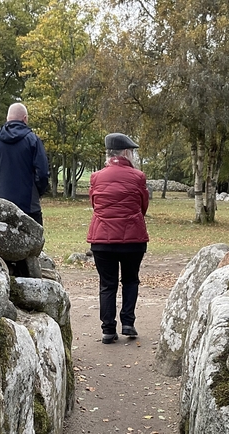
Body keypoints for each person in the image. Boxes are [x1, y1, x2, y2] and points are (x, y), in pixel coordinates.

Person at [86, 133, 149, 344]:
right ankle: (128, 322)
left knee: (107, 284)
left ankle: (108, 330)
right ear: (125, 153)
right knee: (130, 280)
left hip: (102, 240)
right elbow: (143, 206)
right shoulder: (138, 177)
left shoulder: (96, 177)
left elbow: (95, 205)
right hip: (133, 239)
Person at [0, 102, 50, 225]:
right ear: (25, 118)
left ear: (7, 118)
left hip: (2, 205)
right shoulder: (33, 140)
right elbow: (42, 172)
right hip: (29, 205)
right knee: (34, 242)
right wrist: (37, 191)